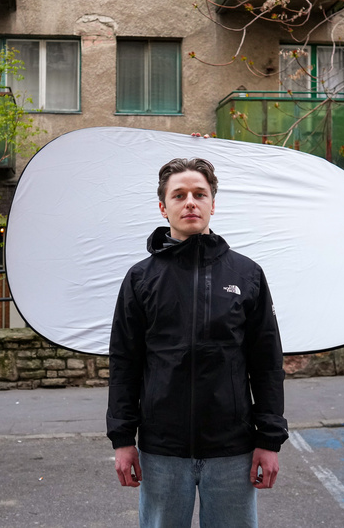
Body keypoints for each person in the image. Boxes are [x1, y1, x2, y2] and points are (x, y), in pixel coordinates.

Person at [107, 157, 288, 528]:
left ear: (212, 204)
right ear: (164, 207)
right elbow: (124, 362)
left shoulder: (247, 274)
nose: (190, 202)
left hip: (232, 449)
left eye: (199, 194)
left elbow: (267, 363)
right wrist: (123, 439)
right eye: (179, 195)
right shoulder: (141, 279)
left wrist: (269, 440)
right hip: (162, 450)